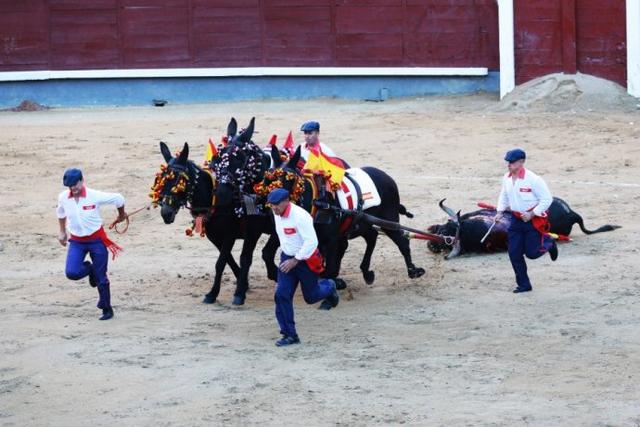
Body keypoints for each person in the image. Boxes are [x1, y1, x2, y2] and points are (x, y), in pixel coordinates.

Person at [268, 188, 339, 347]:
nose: (274, 208)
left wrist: (296, 259)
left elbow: (312, 242)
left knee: (311, 297)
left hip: (305, 261)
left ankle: (330, 286)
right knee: (281, 295)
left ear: (286, 201)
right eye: (271, 205)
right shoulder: (276, 213)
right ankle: (289, 334)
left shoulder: (301, 217)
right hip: (287, 259)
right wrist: (287, 257)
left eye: (276, 205)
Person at [56, 168, 128, 320]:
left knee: (101, 277)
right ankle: (90, 269)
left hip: (96, 240)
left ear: (82, 181)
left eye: (75, 185)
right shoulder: (63, 197)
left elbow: (119, 198)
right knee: (72, 273)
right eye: (69, 187)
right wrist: (62, 232)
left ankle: (106, 309)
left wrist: (121, 215)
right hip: (76, 241)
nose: (73, 189)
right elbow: (61, 213)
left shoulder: (94, 196)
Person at [496, 149, 558, 294]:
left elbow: (547, 199)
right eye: (508, 162)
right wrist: (499, 211)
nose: (509, 165)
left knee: (532, 253)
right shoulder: (507, 178)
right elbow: (504, 195)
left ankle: (549, 243)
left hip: (532, 220)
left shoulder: (533, 179)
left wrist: (532, 213)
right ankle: (524, 285)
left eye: (512, 162)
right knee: (514, 253)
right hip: (516, 220)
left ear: (521, 162)